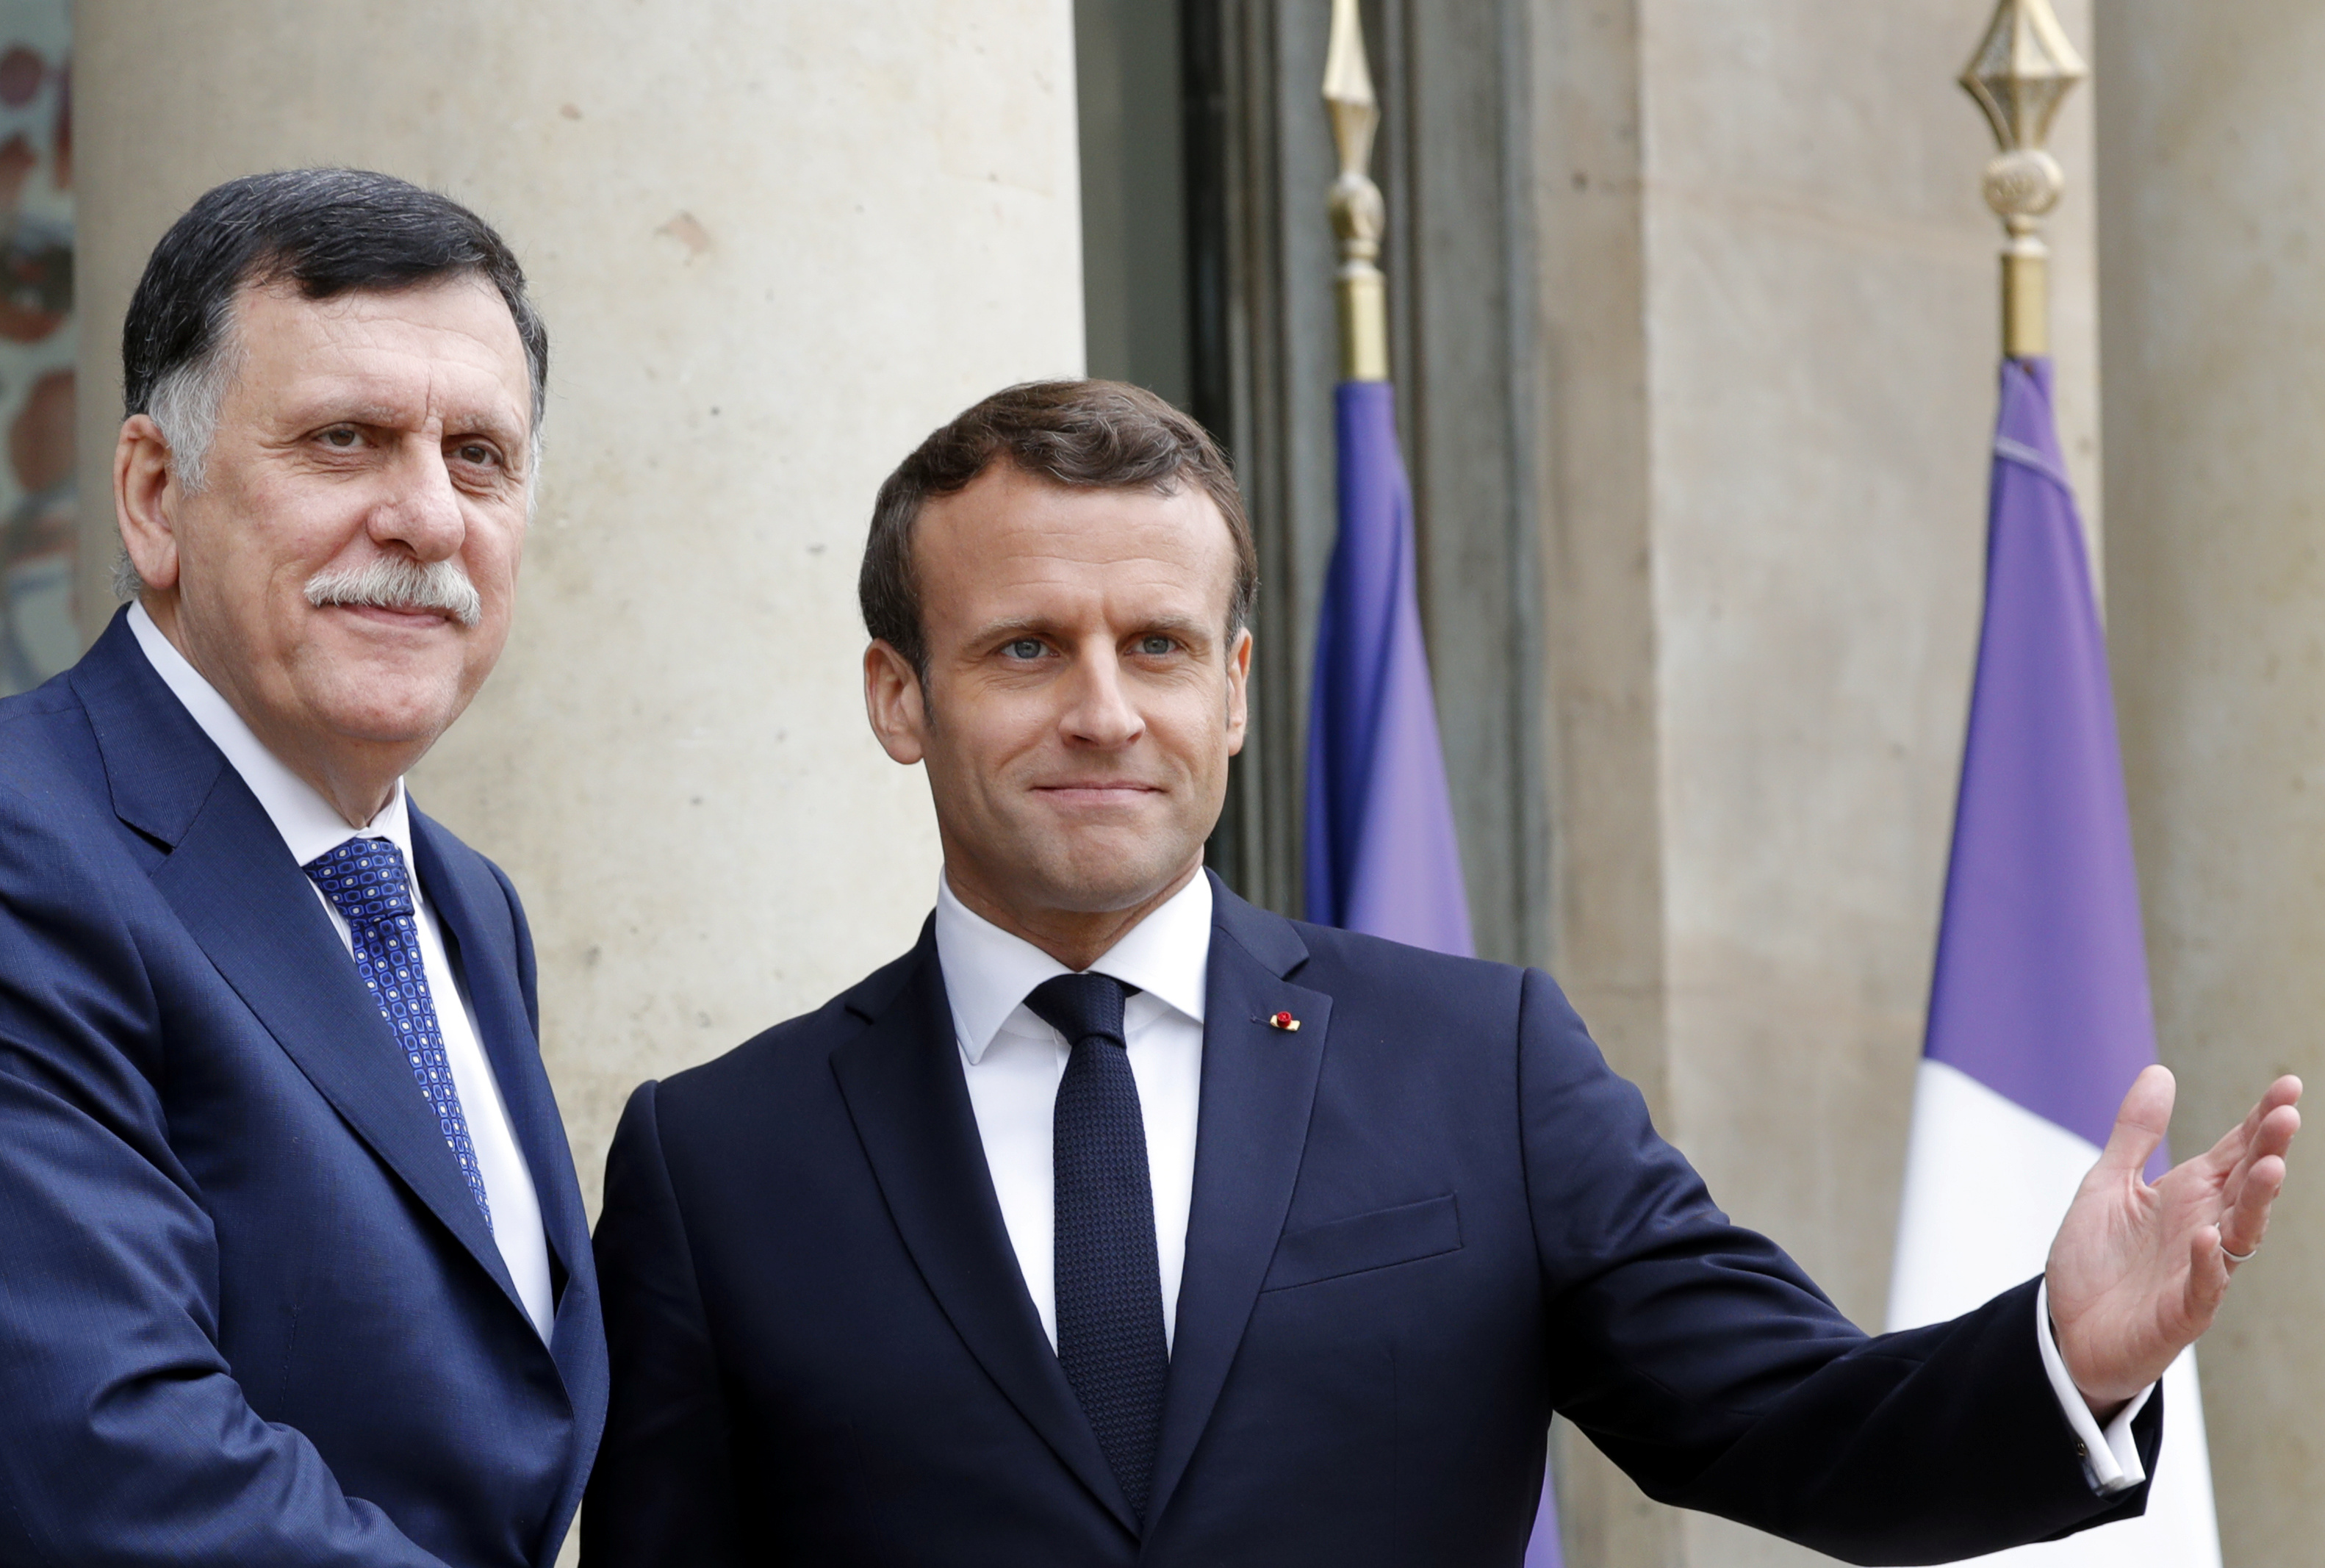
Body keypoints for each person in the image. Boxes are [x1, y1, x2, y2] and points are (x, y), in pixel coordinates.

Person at [583, 379, 2299, 1566]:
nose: (1103, 708)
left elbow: (1793, 1424)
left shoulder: (1479, 1064)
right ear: (900, 695)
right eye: (1026, 646)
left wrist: (2067, 1360)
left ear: (1237, 691)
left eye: (1158, 645)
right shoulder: (715, 1161)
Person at [0, 170, 605, 1567]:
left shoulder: (463, 902)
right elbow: (114, 1458)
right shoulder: (30, 849)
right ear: (156, 495)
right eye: (346, 440)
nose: (428, 518)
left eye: (480, 457)